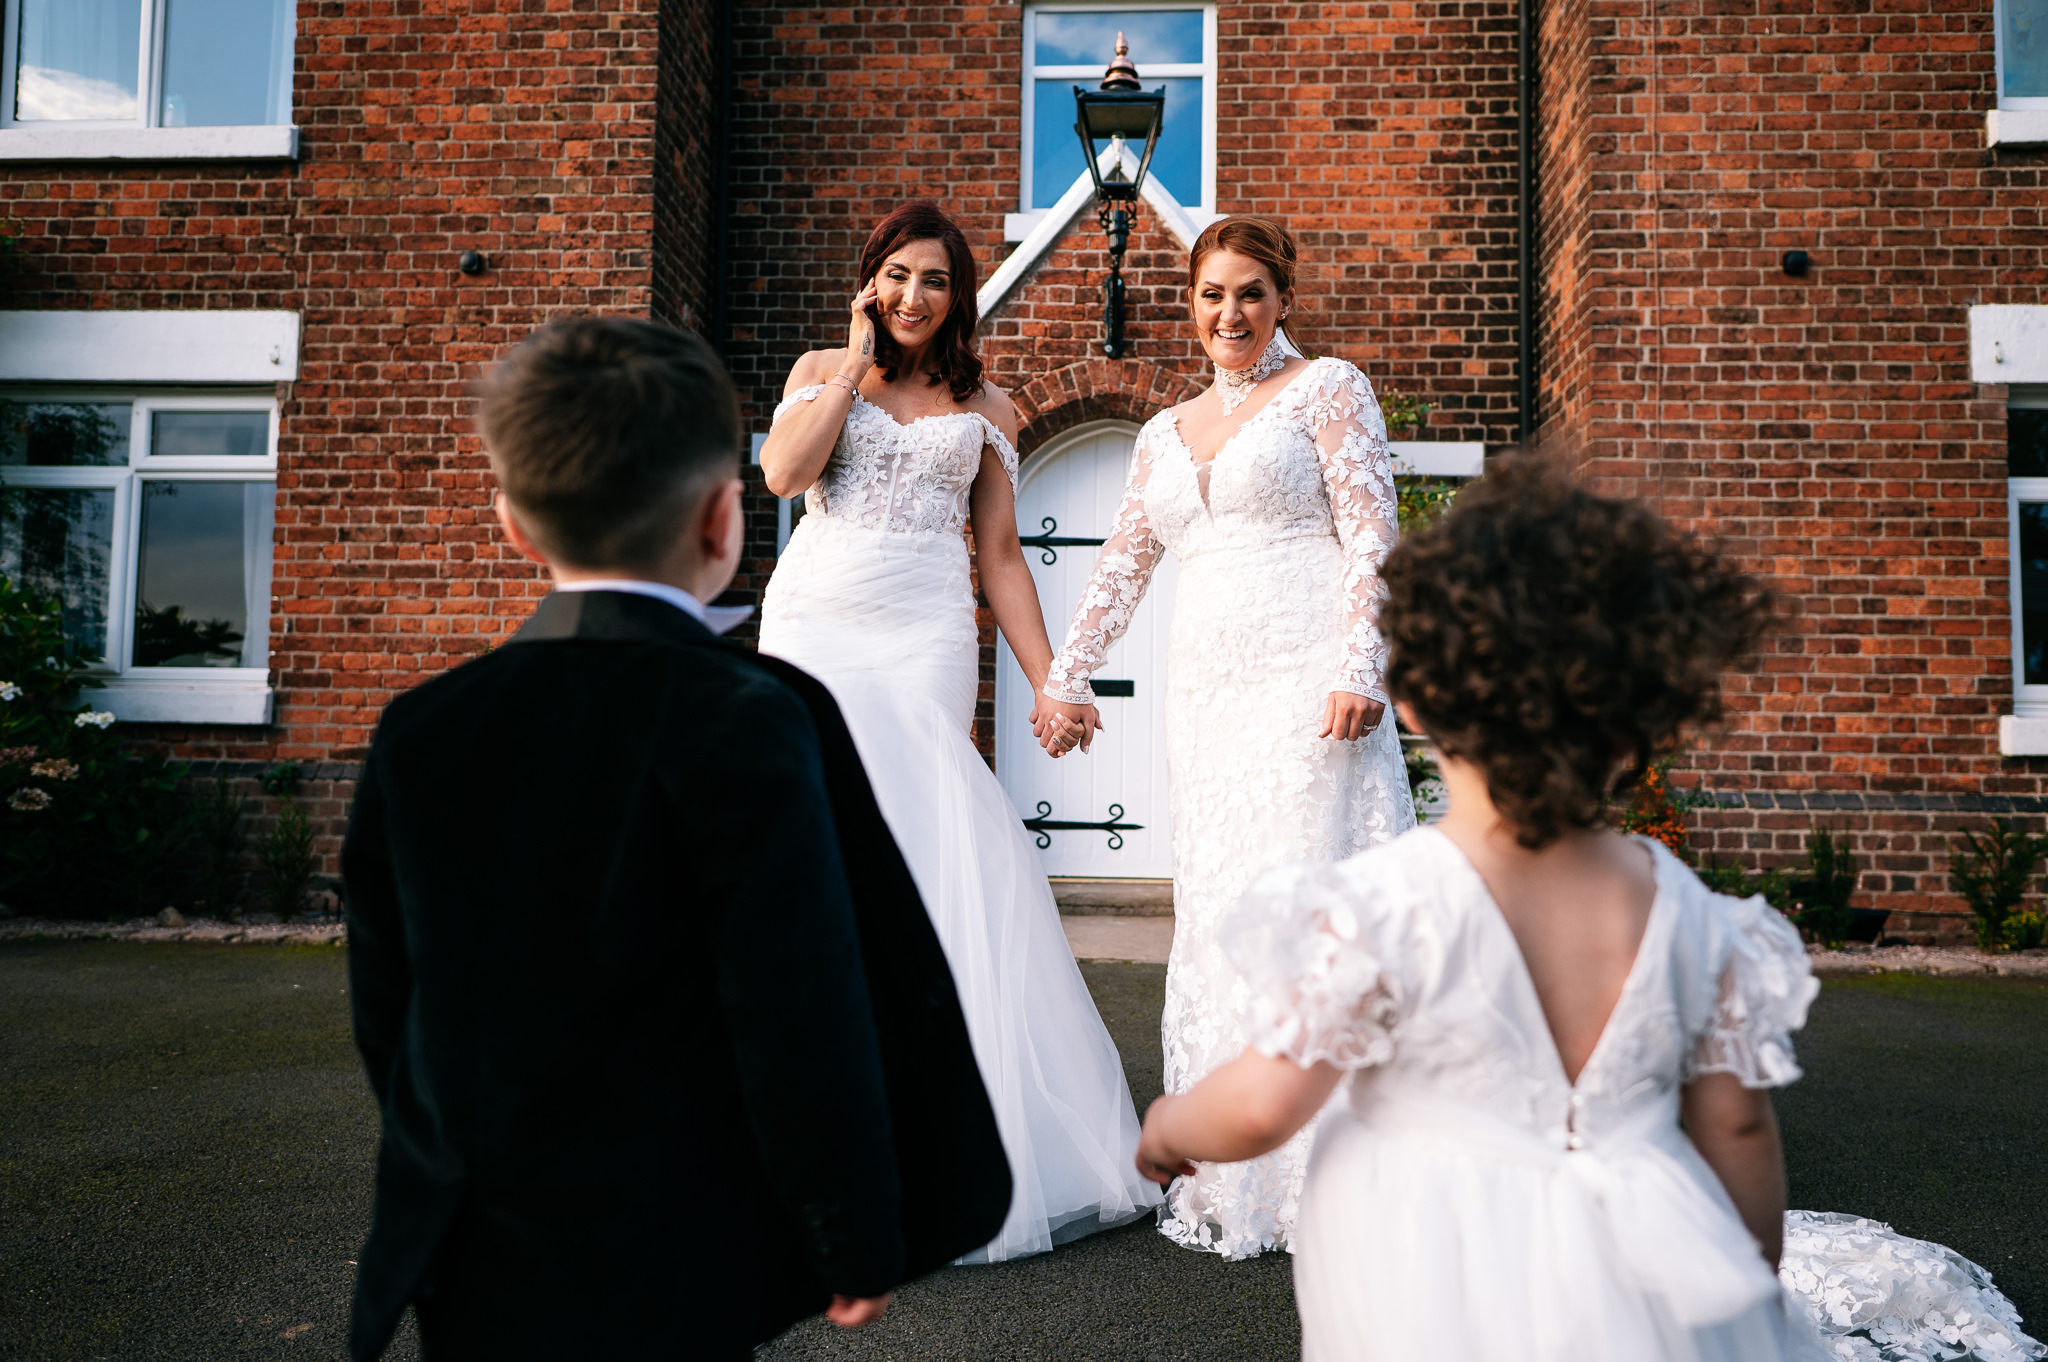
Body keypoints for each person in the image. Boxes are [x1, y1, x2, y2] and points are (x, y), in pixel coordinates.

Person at [1133, 460, 2046, 1362]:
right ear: (1639, 721)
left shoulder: (1384, 906)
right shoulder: (1694, 917)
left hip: (1429, 1278)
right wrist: (1748, 1284)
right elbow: (1735, 1127)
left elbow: (1260, 1108)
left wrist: (1173, 1125)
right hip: (1646, 1275)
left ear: (1413, 700)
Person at [340, 316, 1008, 1362]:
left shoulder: (420, 730)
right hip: (691, 1237)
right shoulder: (764, 712)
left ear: (515, 525)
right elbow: (805, 994)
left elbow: (392, 1006)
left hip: (482, 1239)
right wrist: (847, 1228)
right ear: (717, 521)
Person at [755, 199, 1160, 1261]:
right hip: (813, 622)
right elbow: (784, 478)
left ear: (957, 295)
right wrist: (847, 366)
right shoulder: (817, 371)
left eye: (932, 279)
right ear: (868, 281)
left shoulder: (990, 405)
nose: (911, 297)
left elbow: (1000, 560)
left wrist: (1051, 680)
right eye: (895, 274)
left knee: (926, 854)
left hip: (921, 632)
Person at [1040, 215, 1415, 1258]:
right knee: (1219, 911)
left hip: (1306, 687)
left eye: (1249, 292)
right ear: (1188, 304)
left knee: (1305, 903)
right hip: (1203, 701)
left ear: (1282, 298)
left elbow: (1372, 534)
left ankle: (1342, 1171)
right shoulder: (1162, 431)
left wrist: (1359, 663)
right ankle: (1239, 1170)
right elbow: (1120, 562)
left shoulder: (1327, 388)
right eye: (1211, 295)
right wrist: (1063, 675)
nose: (1229, 313)